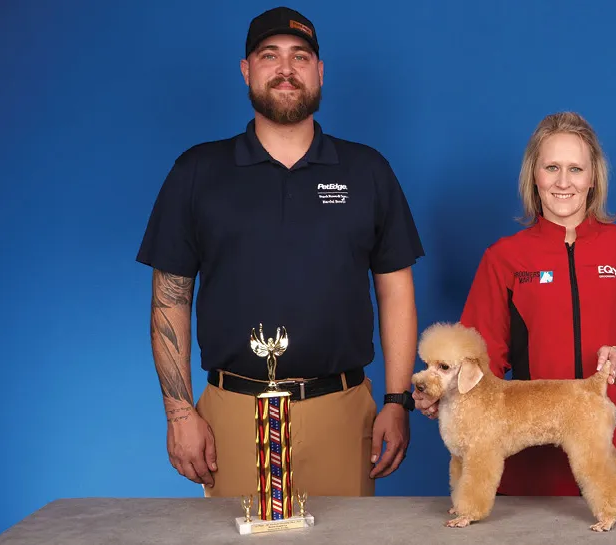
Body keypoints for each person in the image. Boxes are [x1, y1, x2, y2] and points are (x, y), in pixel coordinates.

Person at [136, 6, 424, 498]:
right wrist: (181, 413)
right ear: (247, 70)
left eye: (301, 56)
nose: (286, 69)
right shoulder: (198, 172)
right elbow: (170, 298)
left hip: (342, 408)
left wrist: (396, 401)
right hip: (232, 411)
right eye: (269, 55)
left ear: (319, 72)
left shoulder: (366, 170)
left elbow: (395, 290)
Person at [414, 112, 616, 496]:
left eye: (576, 168)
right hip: (528, 466)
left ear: (593, 178)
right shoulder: (504, 257)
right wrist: (442, 386)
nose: (563, 182)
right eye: (551, 167)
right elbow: (478, 354)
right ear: (534, 175)